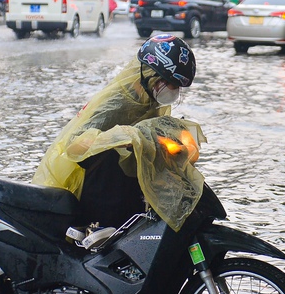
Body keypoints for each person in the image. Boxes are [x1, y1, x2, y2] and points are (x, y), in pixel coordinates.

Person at [32, 34, 203, 232]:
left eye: (177, 88)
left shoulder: (149, 102)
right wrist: (120, 138)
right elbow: (75, 145)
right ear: (151, 76)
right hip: (92, 185)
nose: (173, 91)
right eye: (170, 84)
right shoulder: (118, 103)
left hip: (122, 186)